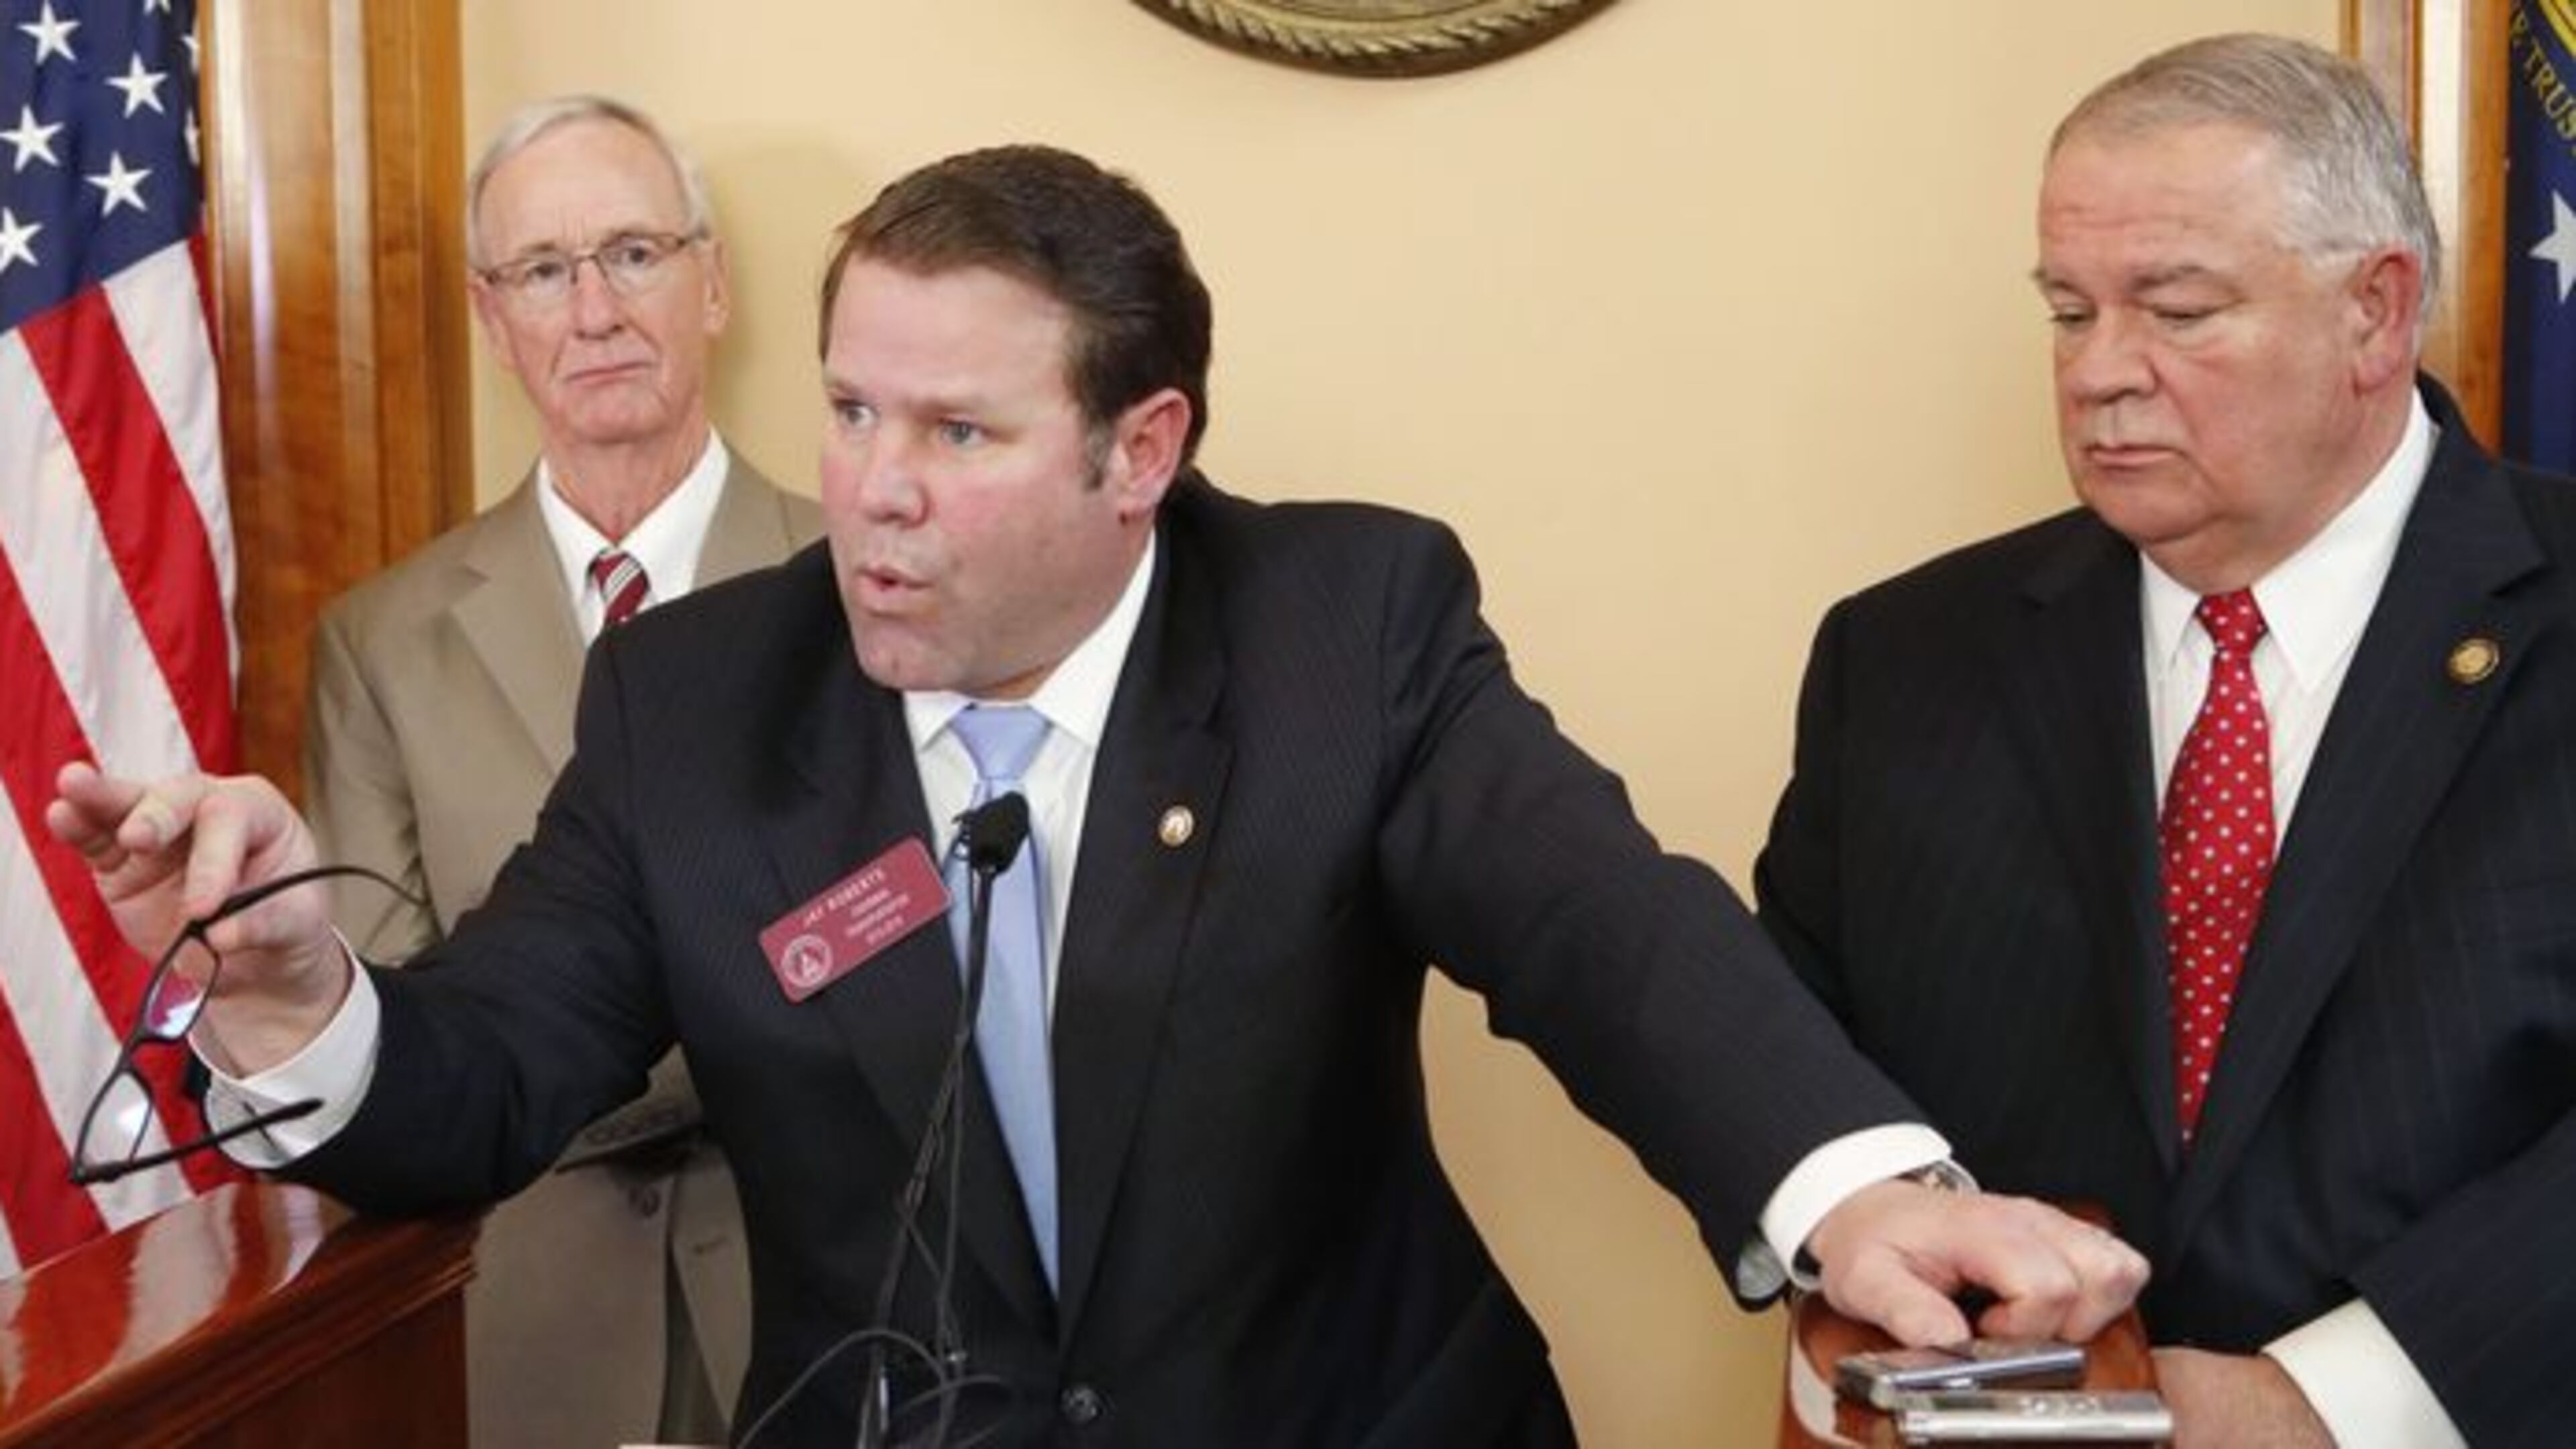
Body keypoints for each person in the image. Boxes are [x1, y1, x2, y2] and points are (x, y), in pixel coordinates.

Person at [51, 144, 2143, 1445]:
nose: (868, 486)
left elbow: (1603, 928)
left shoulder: (1343, 621)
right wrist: (296, 994)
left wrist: (1857, 1192)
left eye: (955, 432)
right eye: (853, 406)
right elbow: (493, 1071)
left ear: (1141, 454)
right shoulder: (700, 699)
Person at [1756, 34, 2576, 1449]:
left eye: (2177, 309)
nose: (2099, 375)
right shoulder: (1900, 658)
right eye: (2070, 312)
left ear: (2377, 313)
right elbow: (1791, 1053)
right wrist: (1860, 1306)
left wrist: (2321, 1404)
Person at [301, 95, 820, 1448]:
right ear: (492, 317)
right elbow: (397, 1032)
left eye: (635, 253)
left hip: (831, 1307)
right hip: (525, 1332)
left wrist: (544, 1062)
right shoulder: (378, 644)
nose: (594, 310)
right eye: (544, 270)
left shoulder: (864, 590)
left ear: (714, 283)